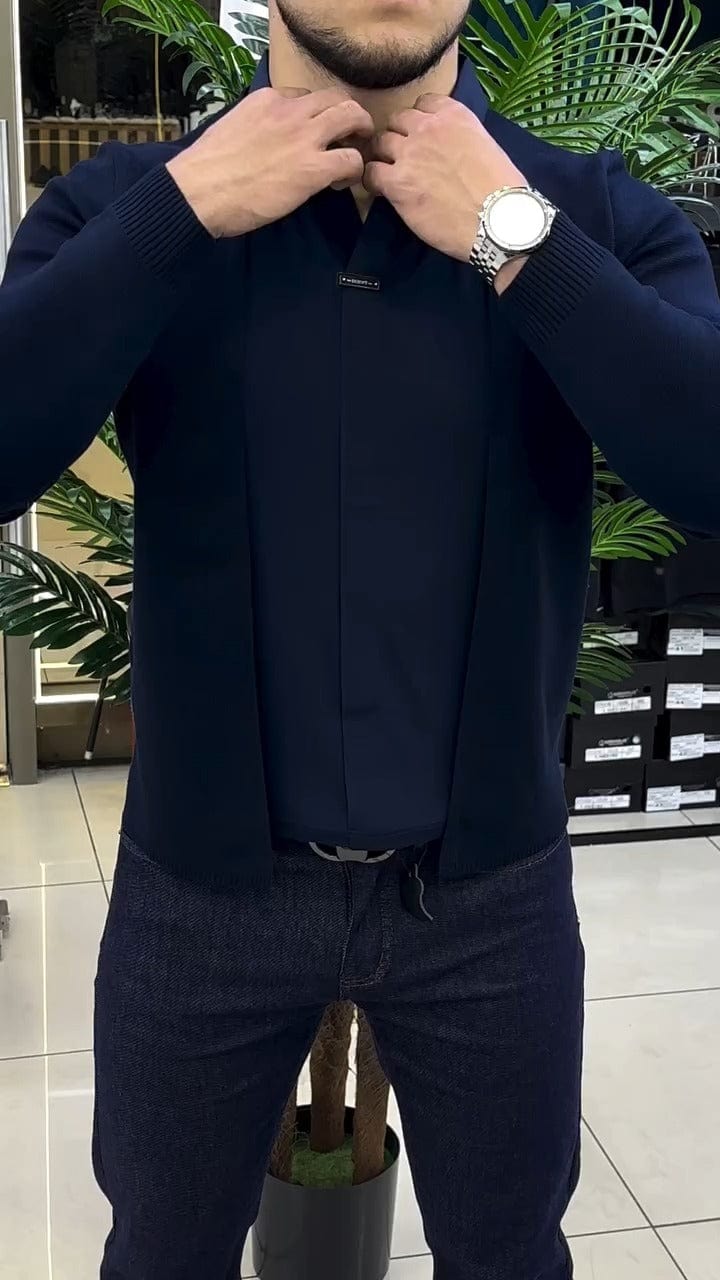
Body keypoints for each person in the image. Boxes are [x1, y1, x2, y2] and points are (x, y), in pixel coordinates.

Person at [1, 2, 719, 1276]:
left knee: (511, 1254)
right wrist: (181, 213)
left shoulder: (586, 215)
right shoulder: (142, 206)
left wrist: (517, 242)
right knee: (160, 1252)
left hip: (489, 893)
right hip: (201, 889)